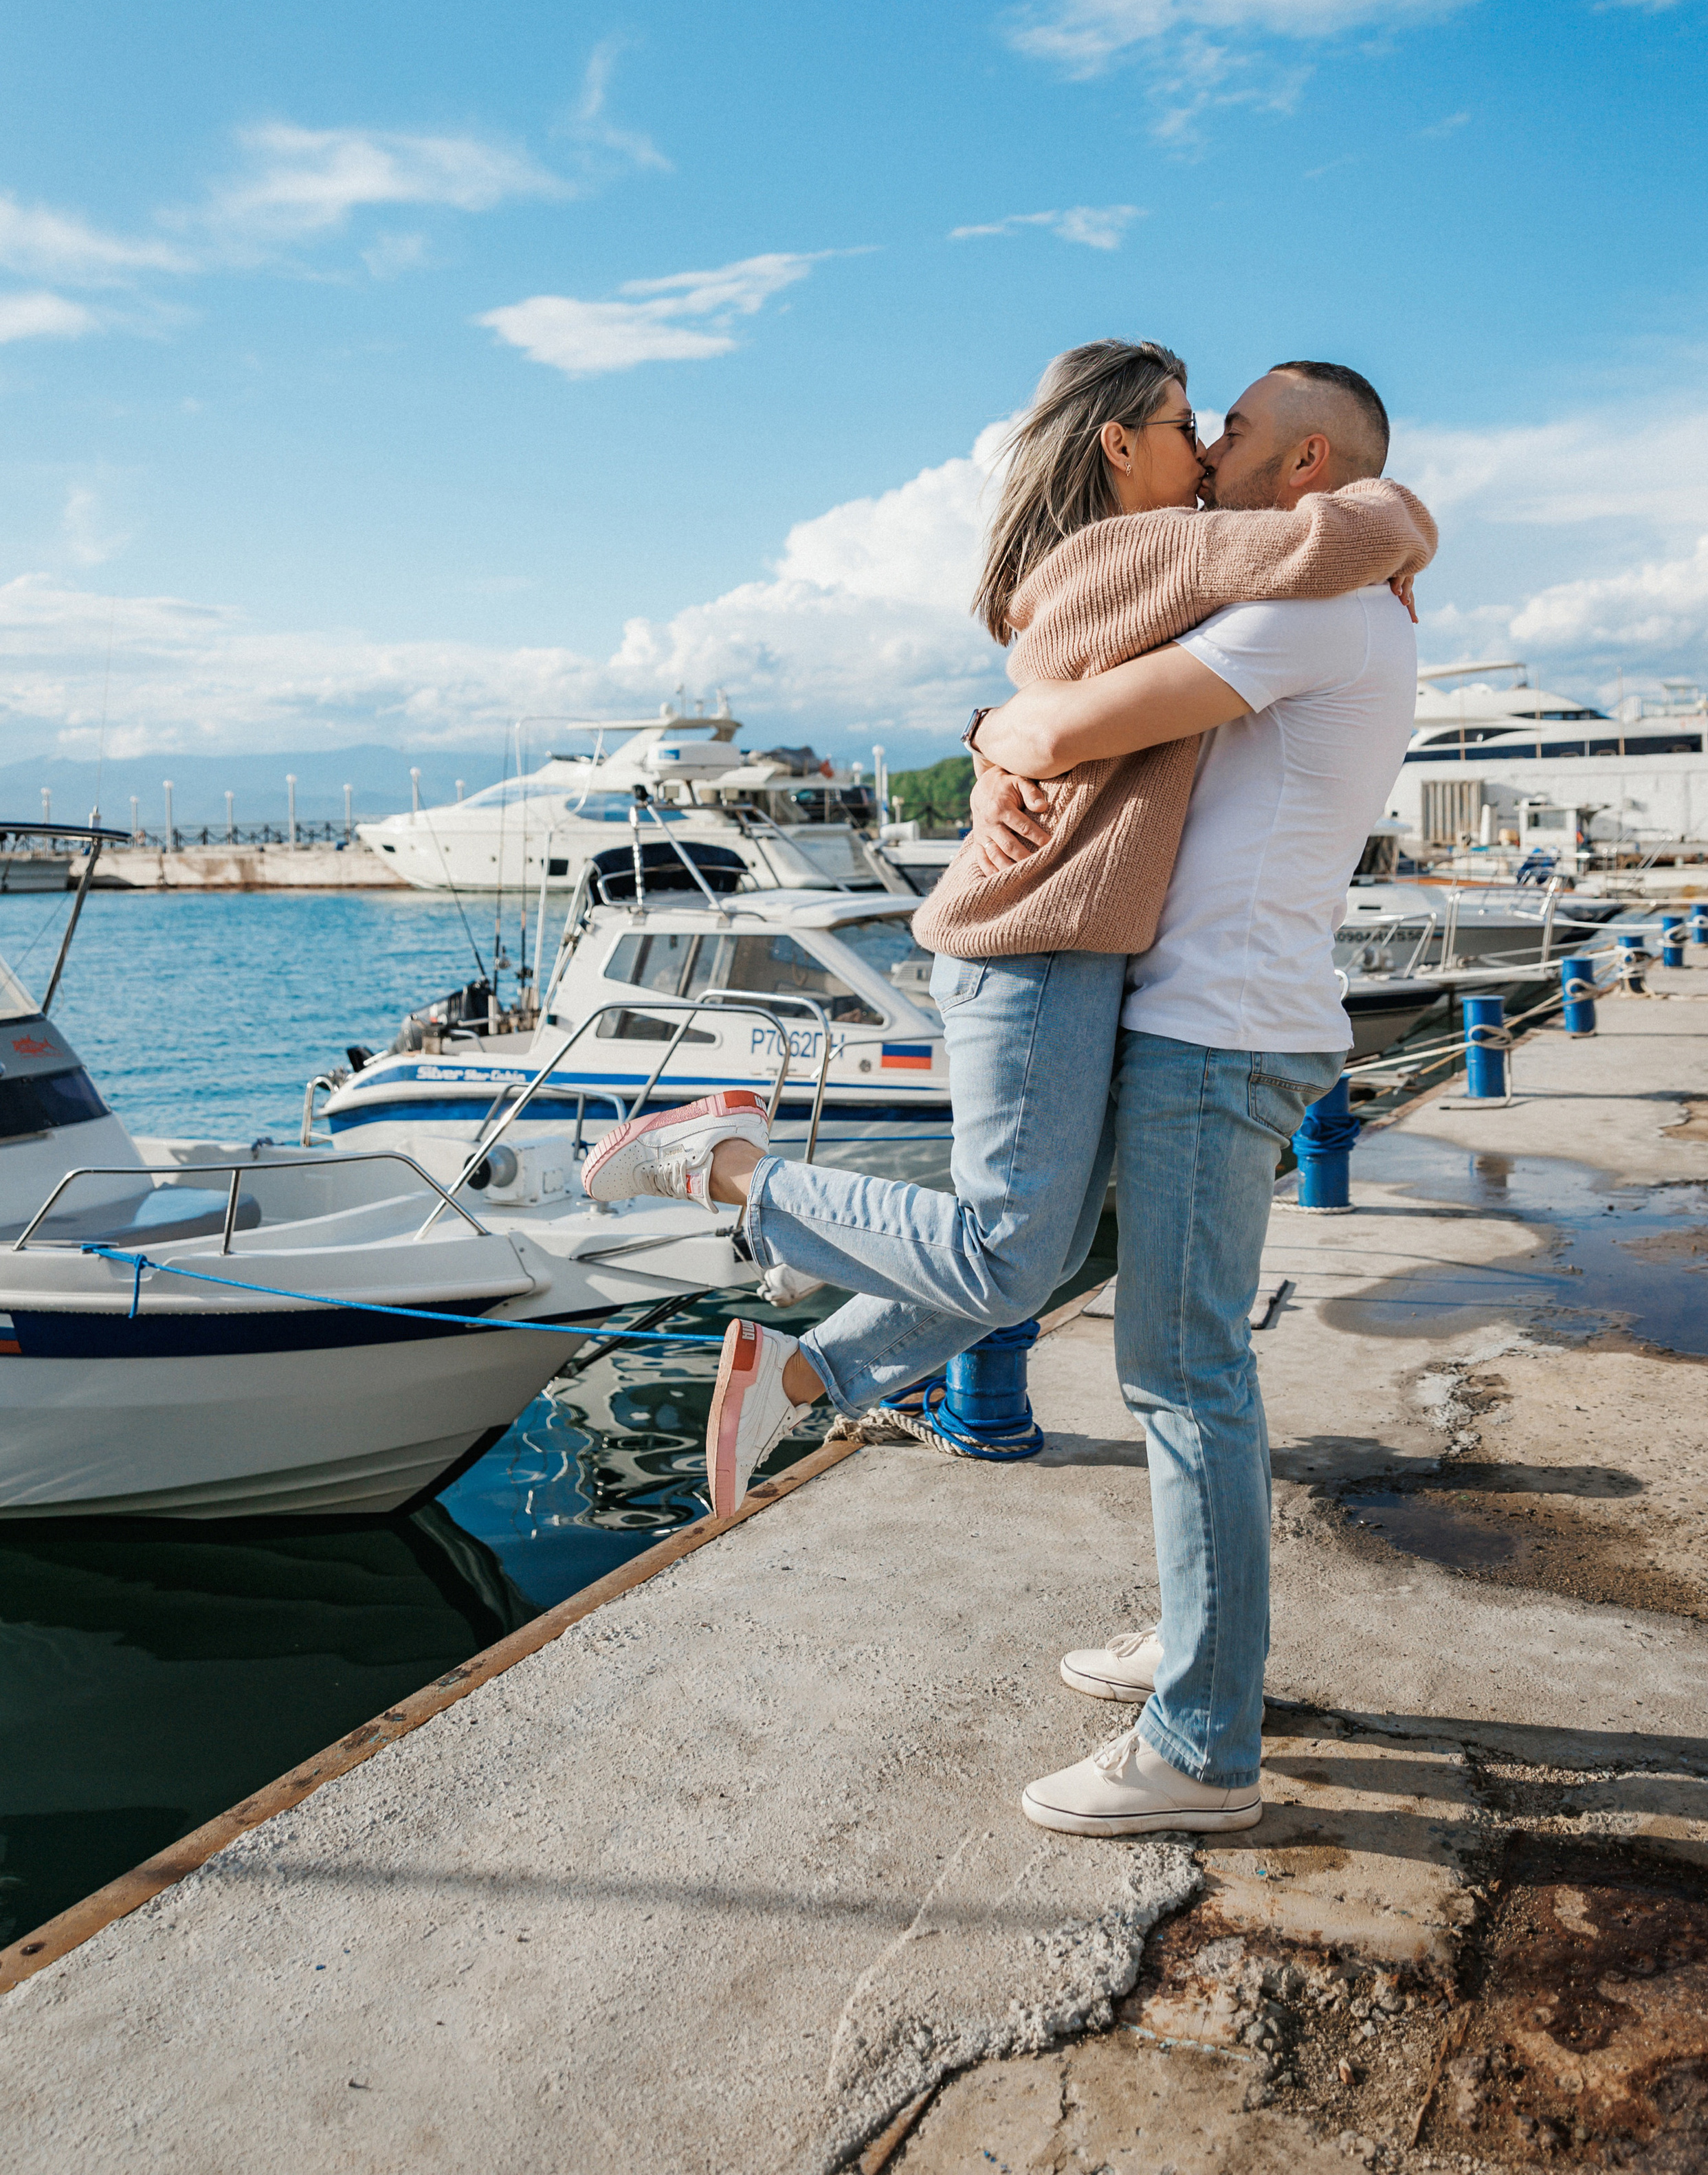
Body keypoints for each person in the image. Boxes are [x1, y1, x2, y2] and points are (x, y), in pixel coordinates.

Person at [584, 350, 1434, 1834]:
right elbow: (1076, 681)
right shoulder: (1296, 593)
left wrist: (992, 740)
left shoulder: (1320, 606)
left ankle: (1198, 1748)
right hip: (1187, 1011)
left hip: (1216, 1025)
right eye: (1192, 423)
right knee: (1068, 1281)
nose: (1214, 443)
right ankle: (1184, 1645)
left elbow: (1045, 727)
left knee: (1178, 1373)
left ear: (1305, 467)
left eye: (1234, 428)